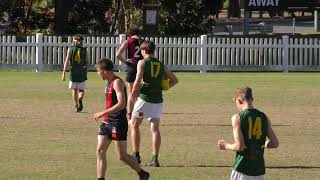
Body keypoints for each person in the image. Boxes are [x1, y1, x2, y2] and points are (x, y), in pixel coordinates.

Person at [94, 59, 150, 180]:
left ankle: (142, 173)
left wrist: (103, 112)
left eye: (98, 71)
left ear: (104, 71)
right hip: (107, 121)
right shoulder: (107, 83)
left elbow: (122, 103)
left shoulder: (117, 82)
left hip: (118, 122)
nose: (97, 73)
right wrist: (105, 115)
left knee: (122, 156)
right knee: (100, 150)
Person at [129, 40, 179, 167]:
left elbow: (139, 77)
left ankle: (136, 155)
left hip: (144, 98)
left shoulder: (142, 62)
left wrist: (134, 92)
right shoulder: (160, 64)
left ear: (143, 50)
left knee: (134, 124)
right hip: (158, 100)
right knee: (155, 129)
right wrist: (163, 87)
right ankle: (155, 159)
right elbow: (174, 80)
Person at [217, 87, 279, 180]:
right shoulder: (264, 117)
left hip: (242, 169)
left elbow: (240, 146)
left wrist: (225, 145)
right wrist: (265, 144)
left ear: (239, 100)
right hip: (259, 171)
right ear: (252, 99)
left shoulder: (237, 117)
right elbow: (274, 143)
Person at [116, 27, 144, 115]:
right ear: (139, 33)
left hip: (131, 67)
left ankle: (130, 114)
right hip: (142, 67)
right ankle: (139, 113)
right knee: (140, 92)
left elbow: (118, 54)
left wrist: (126, 62)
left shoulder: (128, 41)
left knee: (131, 92)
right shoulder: (143, 42)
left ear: (130, 34)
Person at [62, 34, 88, 112]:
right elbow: (87, 62)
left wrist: (64, 71)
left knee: (74, 89)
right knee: (81, 90)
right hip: (82, 71)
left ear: (74, 40)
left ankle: (76, 105)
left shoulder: (71, 49)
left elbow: (66, 60)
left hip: (73, 71)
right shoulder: (84, 50)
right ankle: (80, 99)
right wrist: (85, 70)